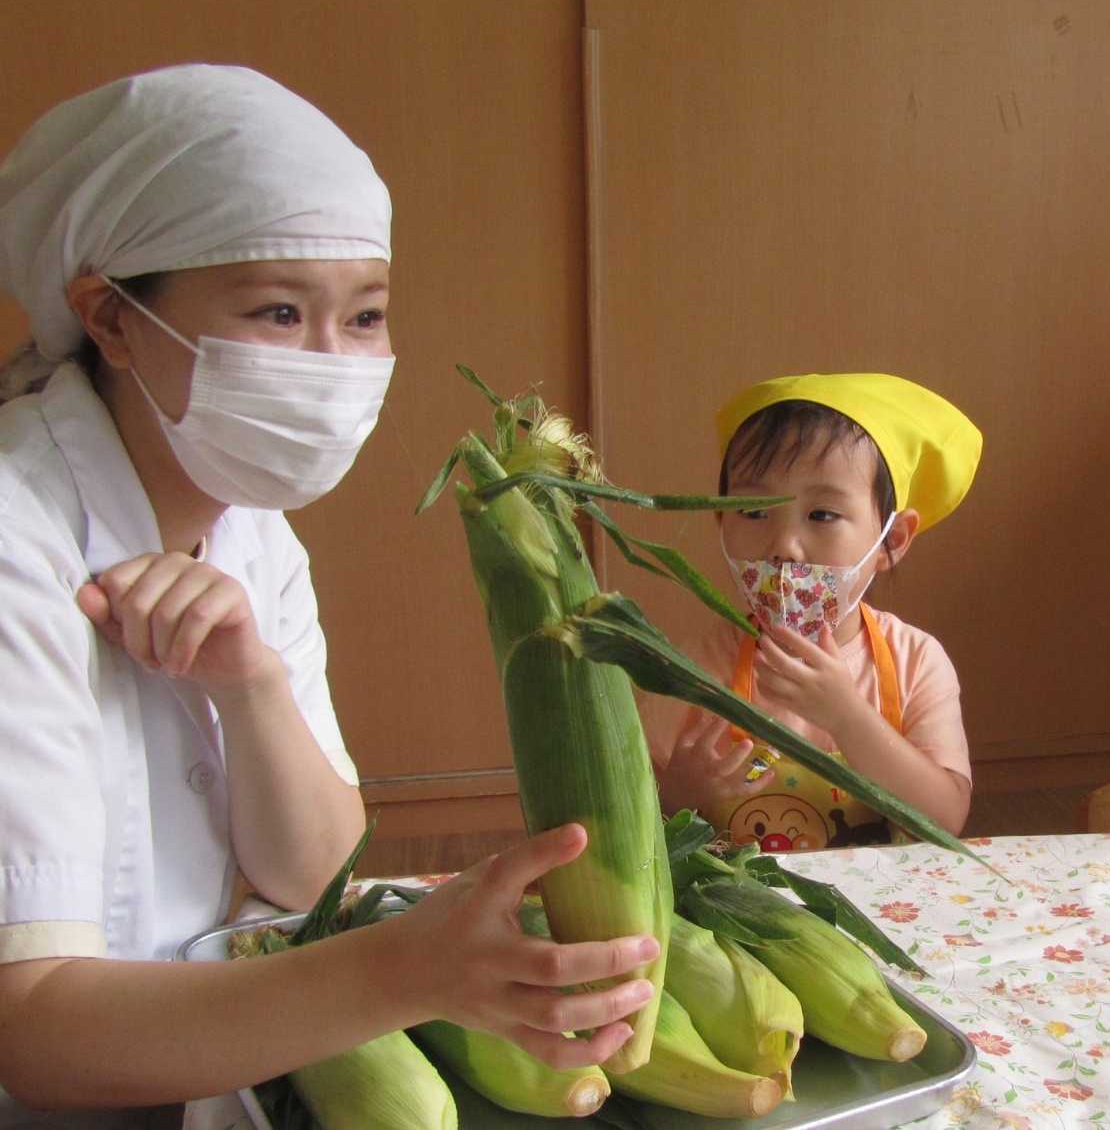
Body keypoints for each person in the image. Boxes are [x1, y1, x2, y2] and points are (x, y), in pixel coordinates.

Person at [0, 65, 658, 1126]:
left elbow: (312, 869)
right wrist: (407, 970)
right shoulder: (14, 539)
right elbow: (29, 1031)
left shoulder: (251, 523)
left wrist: (252, 688)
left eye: (364, 318)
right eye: (277, 310)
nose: (332, 365)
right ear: (110, 320)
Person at [648, 373, 980, 850]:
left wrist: (848, 717)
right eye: (754, 512)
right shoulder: (688, 672)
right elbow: (623, 810)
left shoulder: (917, 662)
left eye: (822, 515)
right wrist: (677, 794)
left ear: (893, 540)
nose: (784, 546)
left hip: (879, 913)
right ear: (720, 517)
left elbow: (945, 817)